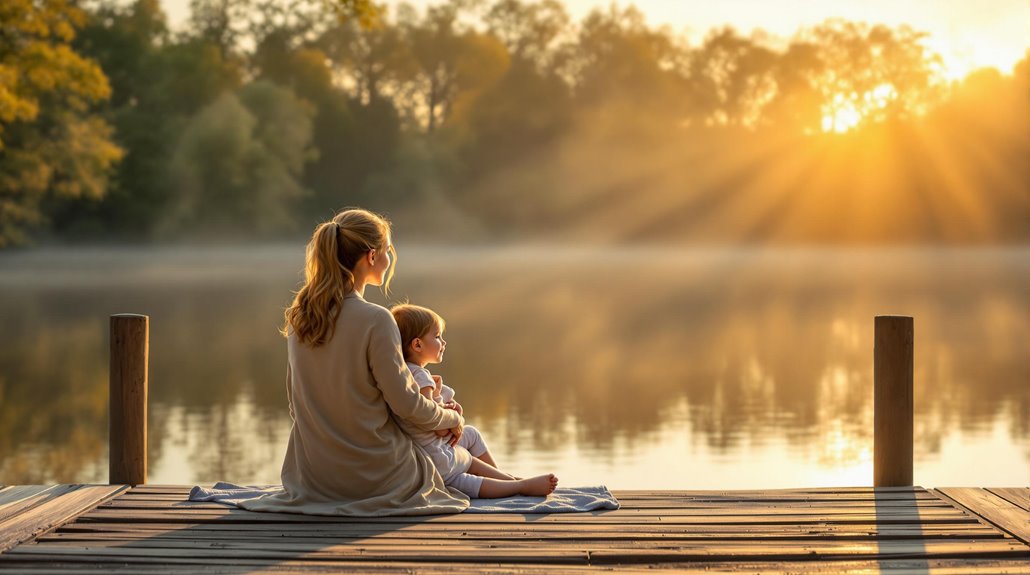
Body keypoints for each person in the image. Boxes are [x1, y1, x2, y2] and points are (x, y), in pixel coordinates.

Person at [239, 208, 469, 516]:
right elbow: (409, 407)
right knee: (460, 451)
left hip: (311, 478)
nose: (390, 259)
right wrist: (451, 418)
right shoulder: (377, 319)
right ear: (371, 257)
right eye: (388, 250)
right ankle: (515, 486)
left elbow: (296, 406)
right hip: (376, 478)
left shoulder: (300, 318)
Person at [390, 304, 559, 498]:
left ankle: (506, 478)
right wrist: (451, 415)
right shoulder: (420, 376)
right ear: (417, 345)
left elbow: (427, 412)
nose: (443, 342)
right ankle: (516, 487)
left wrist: (443, 404)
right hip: (435, 458)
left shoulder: (404, 373)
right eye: (437, 337)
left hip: (426, 451)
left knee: (471, 434)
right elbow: (436, 425)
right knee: (464, 468)